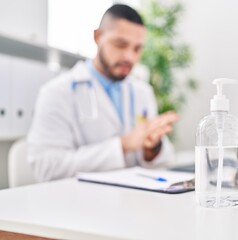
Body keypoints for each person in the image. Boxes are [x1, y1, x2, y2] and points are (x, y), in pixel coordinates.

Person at [27, 4, 179, 182]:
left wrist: (152, 148)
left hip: (133, 201)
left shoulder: (142, 92)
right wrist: (122, 145)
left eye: (137, 49)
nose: (129, 57)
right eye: (120, 44)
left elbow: (164, 161)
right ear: (97, 37)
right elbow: (46, 167)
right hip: (79, 202)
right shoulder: (56, 92)